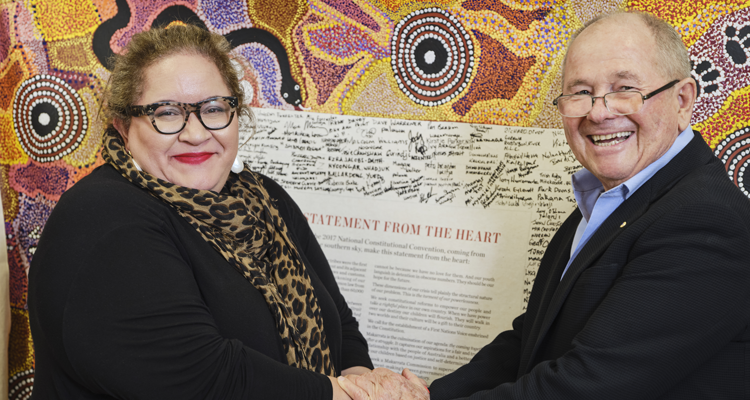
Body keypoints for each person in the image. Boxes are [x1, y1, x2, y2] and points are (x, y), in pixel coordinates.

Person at [342, 11, 750, 400]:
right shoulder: (608, 200)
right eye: (581, 92)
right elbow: (532, 339)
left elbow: (590, 385)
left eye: (624, 89)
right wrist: (431, 395)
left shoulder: (707, 220)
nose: (599, 112)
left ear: (682, 100)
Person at [28, 24, 377, 399]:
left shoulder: (263, 197)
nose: (195, 134)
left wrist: (363, 381)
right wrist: (346, 396)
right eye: (166, 113)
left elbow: (336, 320)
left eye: (213, 108)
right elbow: (204, 380)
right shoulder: (103, 216)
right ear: (124, 128)